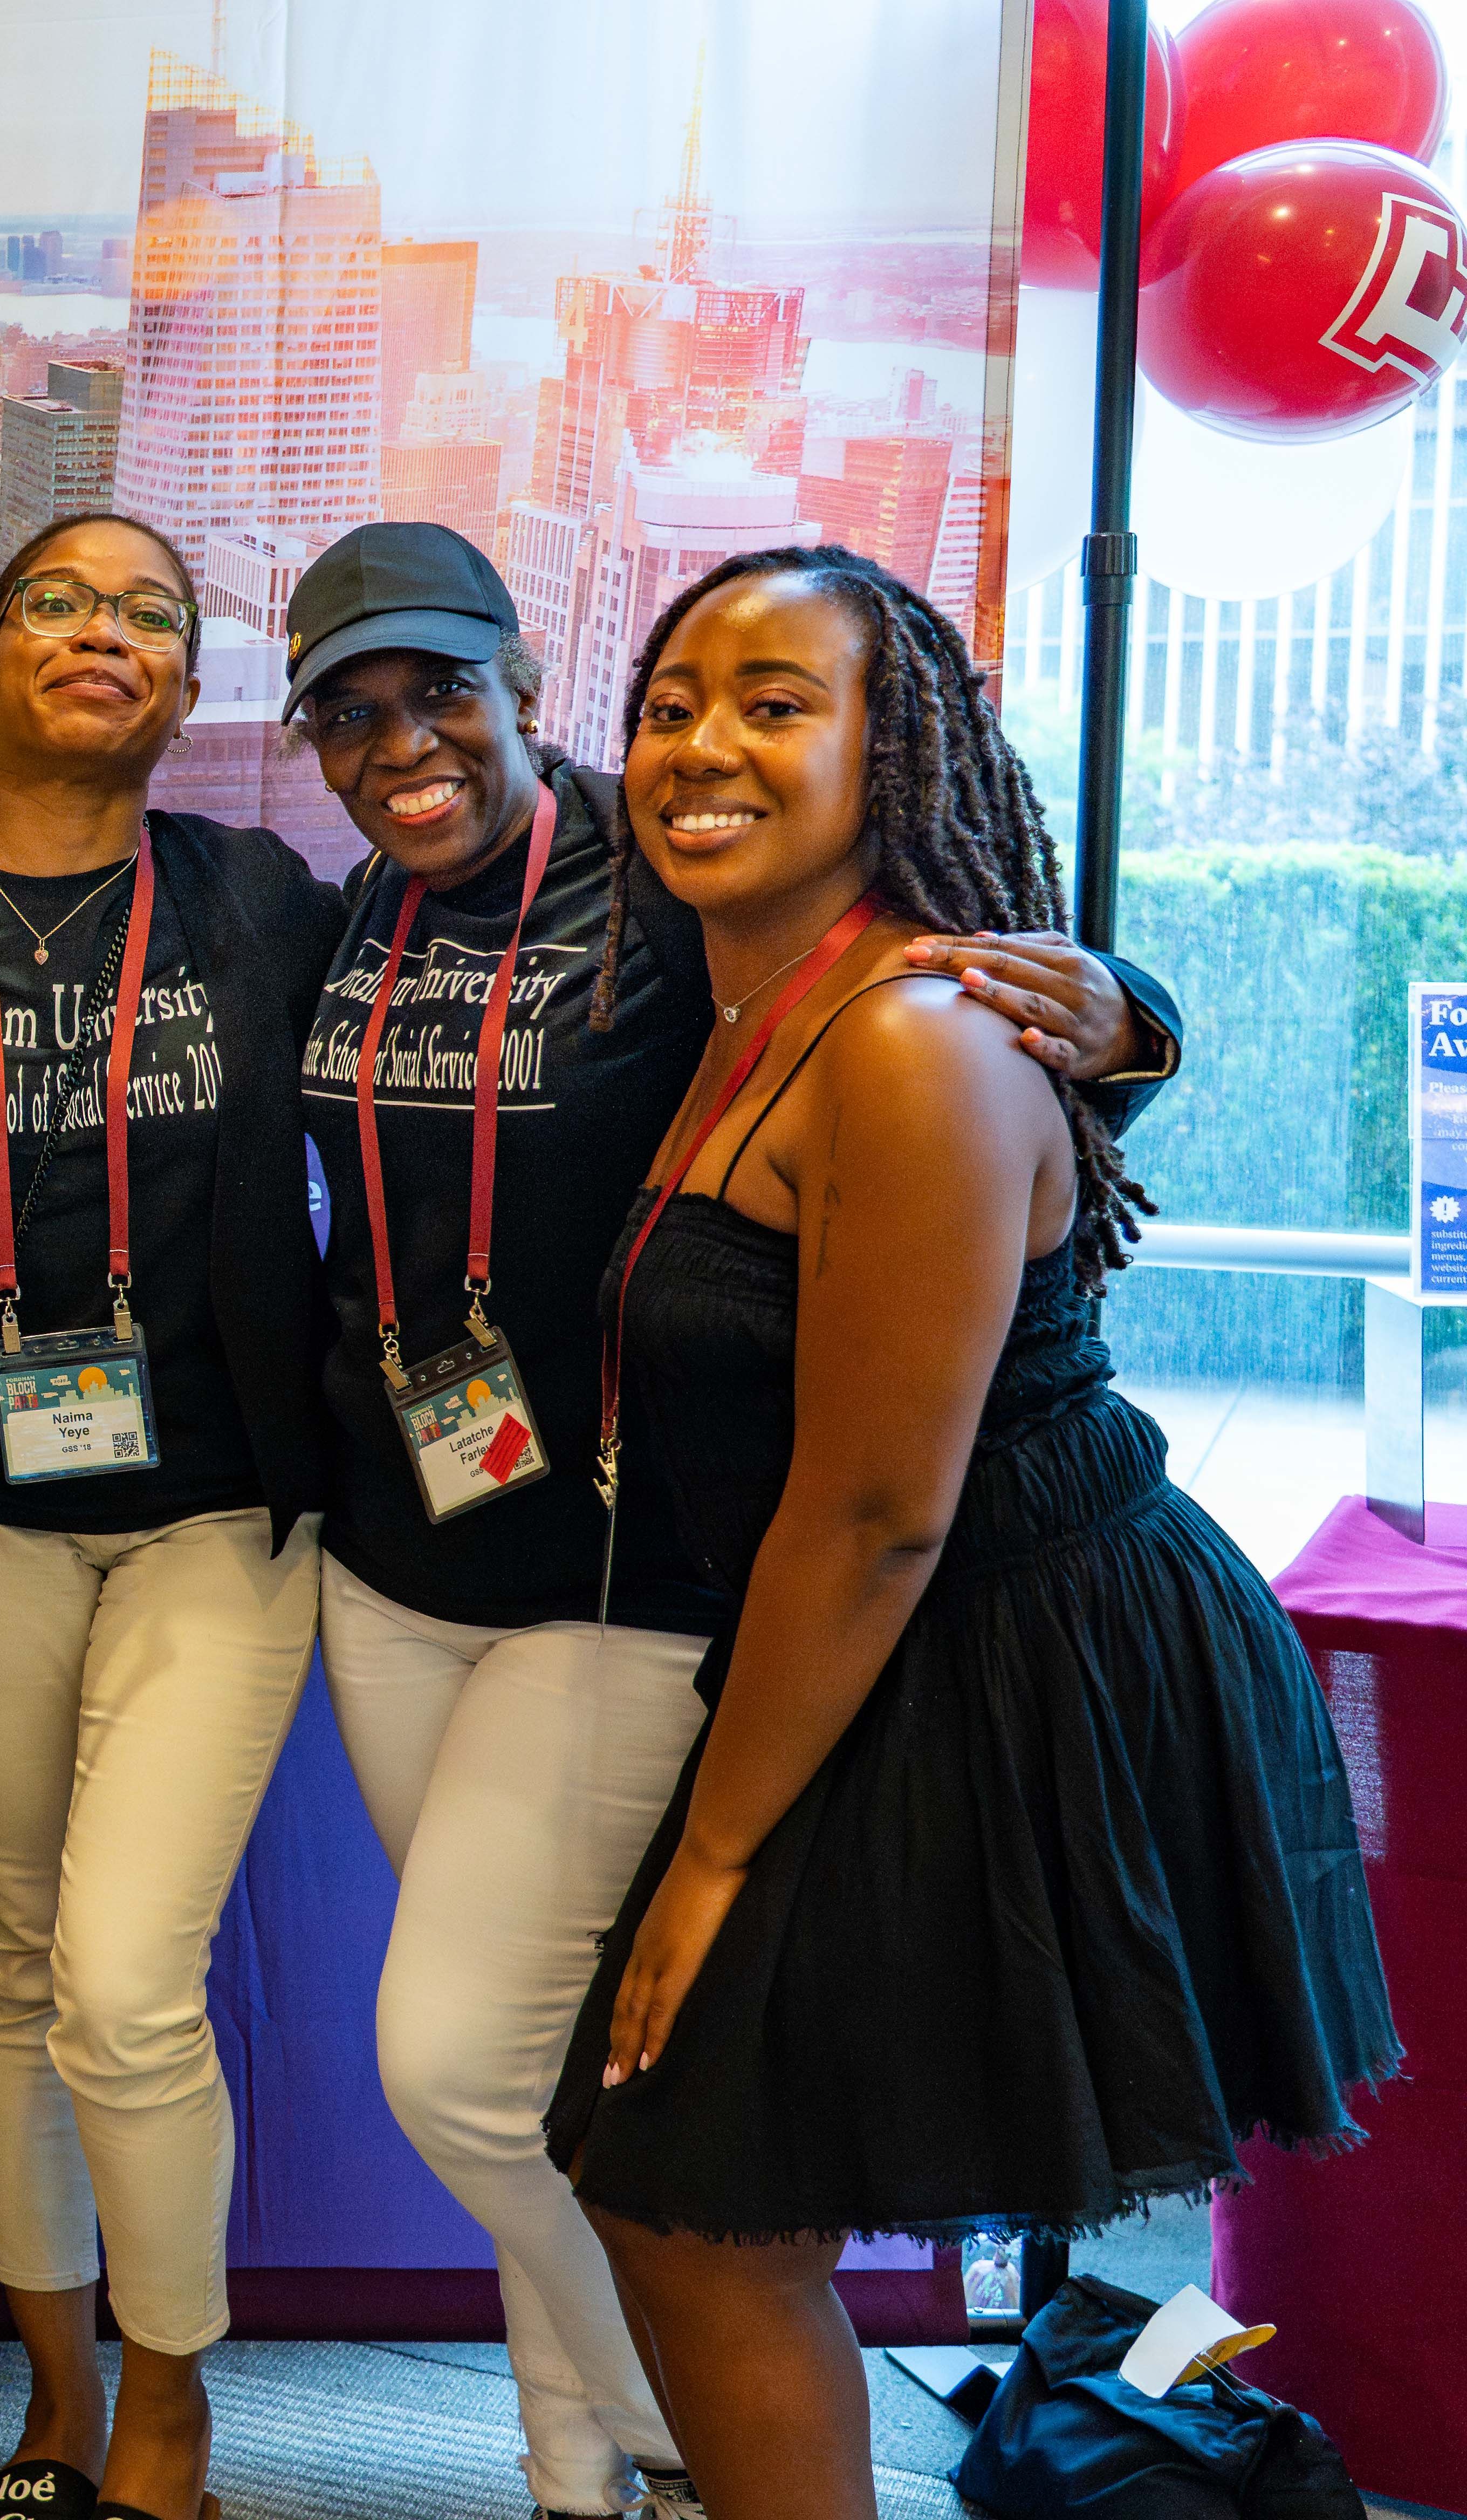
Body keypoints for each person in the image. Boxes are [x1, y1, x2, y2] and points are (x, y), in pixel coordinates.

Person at [280, 524, 1184, 2520]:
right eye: (348, 711)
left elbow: (958, 974)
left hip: (626, 1586)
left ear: (524, 687)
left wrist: (1130, 1008)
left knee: (463, 2064)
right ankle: (568, 2467)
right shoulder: (340, 915)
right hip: (400, 1553)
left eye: (441, 689)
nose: (402, 742)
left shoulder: (673, 869)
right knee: (539, 2075)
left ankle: (704, 2451)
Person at [541, 544, 1396, 2520]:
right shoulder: (740, 984)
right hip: (903, 1632)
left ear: (893, 747)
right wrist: (1140, 1022)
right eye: (673, 702)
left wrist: (715, 1859)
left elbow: (873, 1514)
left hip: (1006, 1644)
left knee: (693, 2190)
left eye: (777, 703)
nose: (705, 743)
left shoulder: (913, 1035)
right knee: (688, 2193)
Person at [0, 514, 341, 2520]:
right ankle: (53, 2401)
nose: (103, 635)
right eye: (61, 603)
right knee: (9, 1960)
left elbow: (521, 949)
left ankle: (173, 2412)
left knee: (123, 1979)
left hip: (220, 1510)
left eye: (151, 618)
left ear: (188, 692)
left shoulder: (266, 897)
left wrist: (1103, 995)